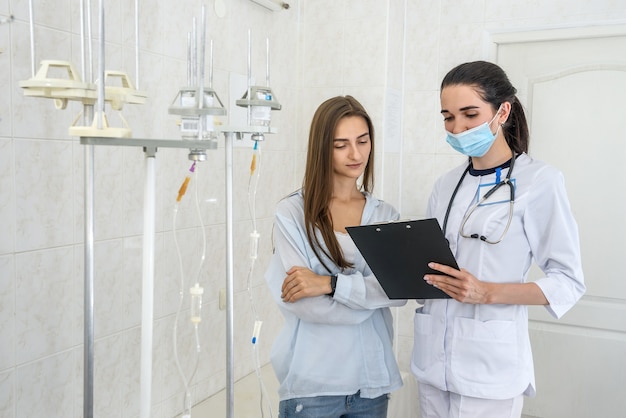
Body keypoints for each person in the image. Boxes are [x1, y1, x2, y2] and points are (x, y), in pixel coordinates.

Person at [412, 61, 586, 417]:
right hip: (432, 365)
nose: (457, 128)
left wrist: (487, 292)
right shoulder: (445, 185)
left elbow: (568, 282)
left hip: (489, 372)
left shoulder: (540, 182)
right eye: (448, 117)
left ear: (502, 111)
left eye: (469, 114)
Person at [265, 95, 405, 418]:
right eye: (341, 144)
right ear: (321, 148)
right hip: (313, 386)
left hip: (371, 385)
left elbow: (398, 294)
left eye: (363, 141)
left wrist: (328, 284)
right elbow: (305, 304)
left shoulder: (385, 215)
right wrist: (369, 296)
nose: (356, 154)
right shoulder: (292, 214)